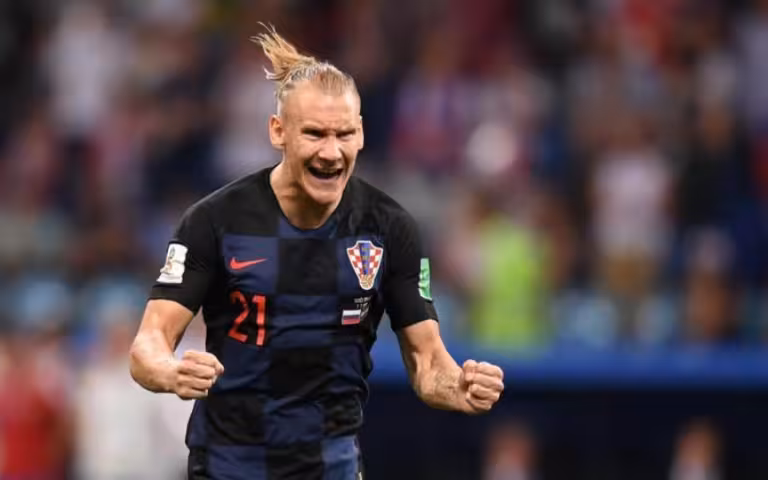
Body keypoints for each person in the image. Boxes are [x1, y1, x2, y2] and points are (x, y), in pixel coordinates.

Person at [129, 25, 505, 480]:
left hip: (331, 467)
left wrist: (458, 385)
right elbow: (147, 345)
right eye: (314, 134)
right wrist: (170, 372)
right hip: (230, 466)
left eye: (344, 134)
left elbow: (427, 362)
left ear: (361, 133)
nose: (331, 152)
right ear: (278, 132)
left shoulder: (389, 228)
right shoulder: (215, 221)